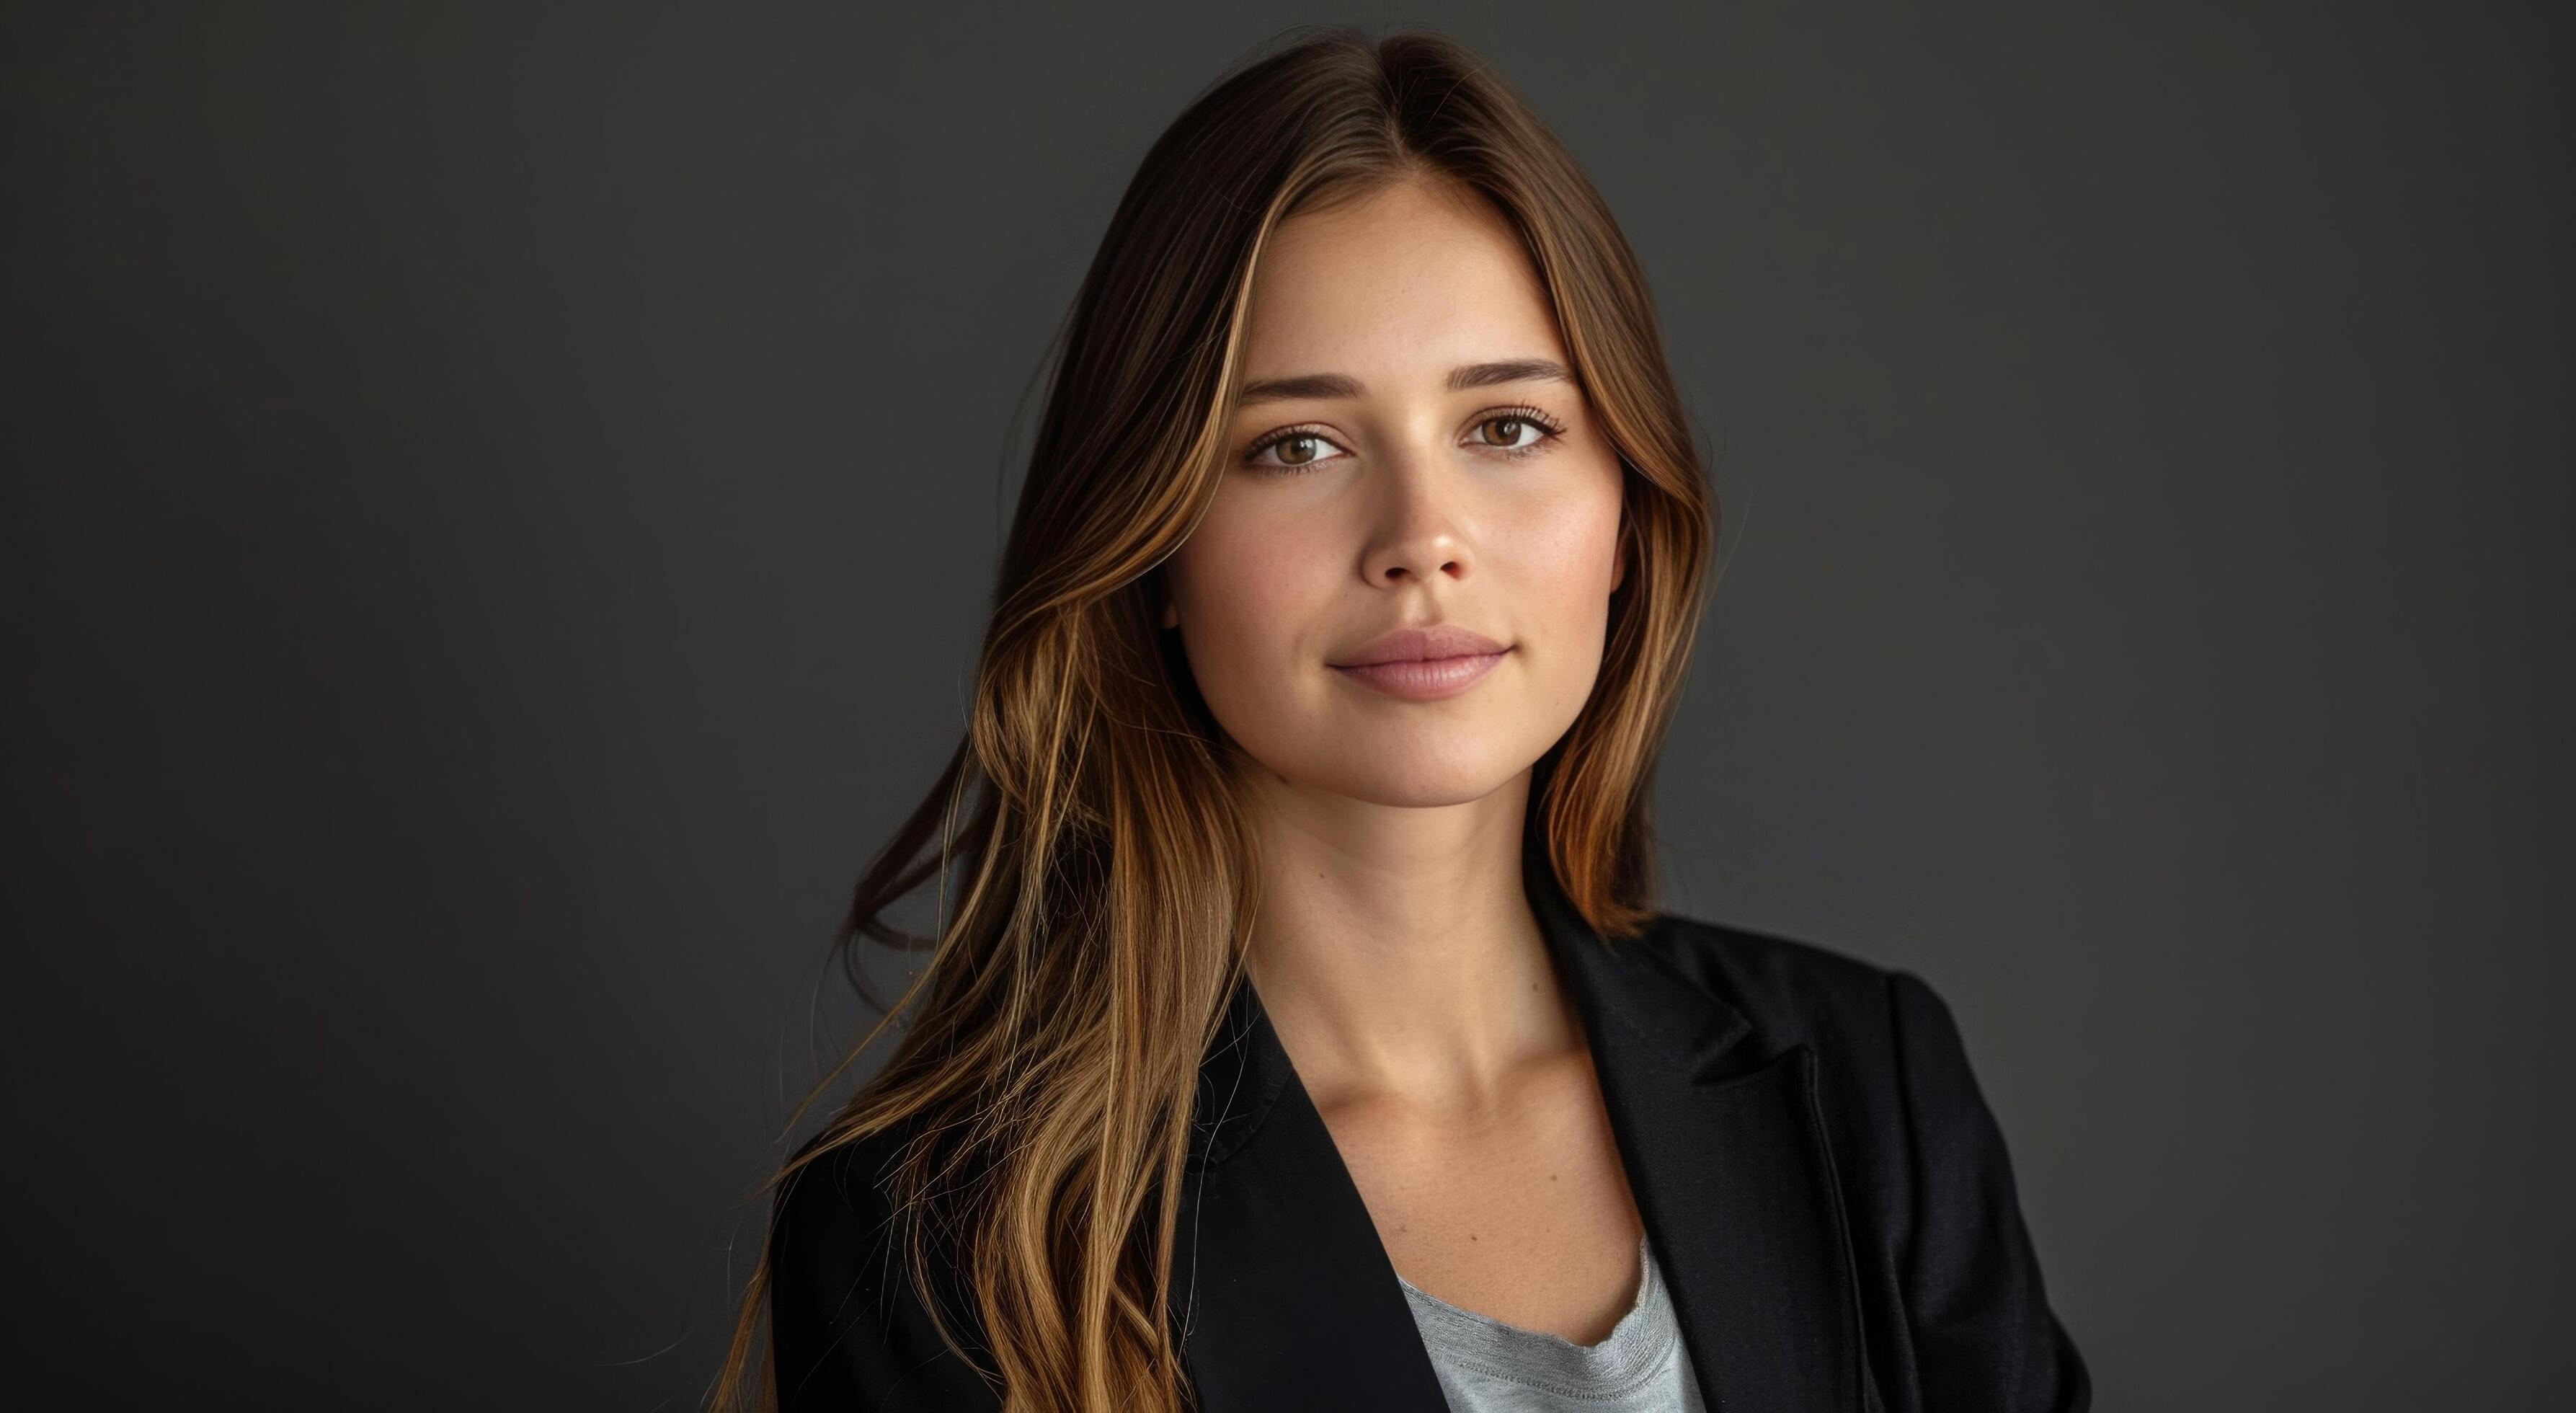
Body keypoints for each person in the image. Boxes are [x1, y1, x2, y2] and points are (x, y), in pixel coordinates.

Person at [709, 24, 2089, 1413]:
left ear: (1625, 512)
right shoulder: (945, 1243)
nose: (1421, 541)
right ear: (1153, 552)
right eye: (1294, 447)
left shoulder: (1873, 1087)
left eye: (1506, 427)